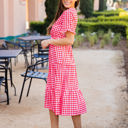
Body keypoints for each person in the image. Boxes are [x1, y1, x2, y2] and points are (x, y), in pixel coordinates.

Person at [41, 0, 87, 128]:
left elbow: (69, 39)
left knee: (69, 95)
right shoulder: (65, 13)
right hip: (58, 62)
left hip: (62, 63)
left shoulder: (69, 13)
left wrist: (49, 41)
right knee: (56, 97)